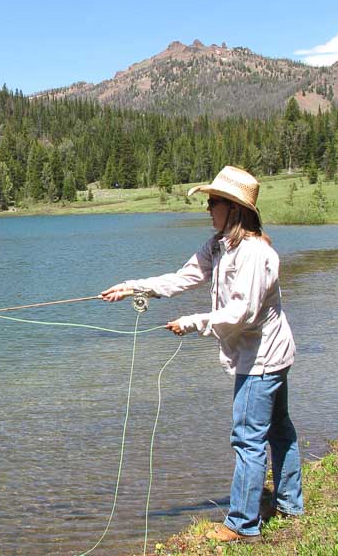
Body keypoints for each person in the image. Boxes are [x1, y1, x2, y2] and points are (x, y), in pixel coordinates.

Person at [100, 165, 304, 542]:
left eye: (213, 203)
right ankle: (290, 503)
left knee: (248, 437)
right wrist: (131, 287)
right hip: (261, 354)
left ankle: (243, 525)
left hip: (263, 358)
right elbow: (183, 277)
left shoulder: (256, 255)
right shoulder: (219, 245)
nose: (207, 209)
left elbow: (240, 313)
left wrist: (192, 322)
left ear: (233, 208)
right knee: (276, 428)